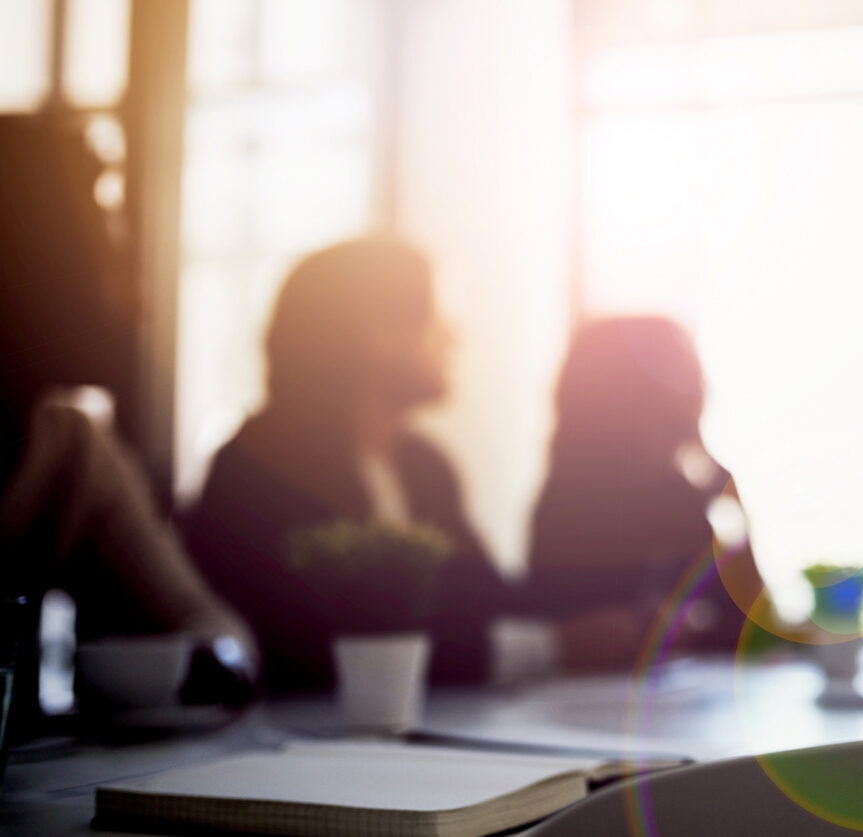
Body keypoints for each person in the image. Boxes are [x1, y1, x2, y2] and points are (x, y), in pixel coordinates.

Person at [1, 116, 254, 740]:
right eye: (104, 248)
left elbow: (211, 630)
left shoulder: (74, 450)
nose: (138, 301)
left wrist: (159, 666)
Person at [182, 239, 512, 690]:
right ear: (378, 333)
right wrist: (543, 647)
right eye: (434, 316)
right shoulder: (259, 468)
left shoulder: (425, 466)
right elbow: (313, 647)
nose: (454, 335)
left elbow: (489, 600)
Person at [527, 316, 764, 656]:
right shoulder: (571, 503)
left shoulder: (690, 493)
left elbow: (749, 621)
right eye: (675, 367)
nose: (696, 384)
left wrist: (728, 498)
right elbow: (562, 622)